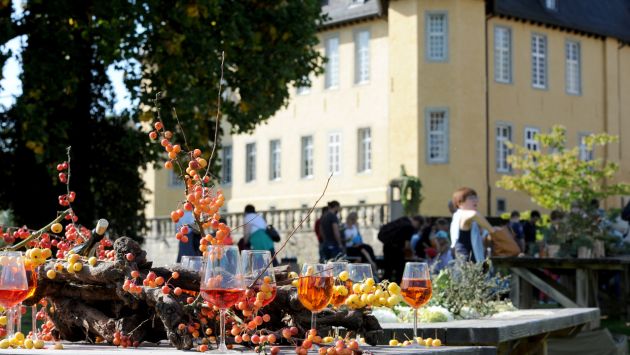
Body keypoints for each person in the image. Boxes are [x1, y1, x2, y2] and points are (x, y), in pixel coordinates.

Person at [450, 187, 496, 264]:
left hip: (469, 260)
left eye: (476, 197)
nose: (476, 200)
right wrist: (492, 230)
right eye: (471, 198)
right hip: (466, 262)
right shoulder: (462, 215)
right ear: (460, 203)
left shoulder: (461, 216)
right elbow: (475, 214)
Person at [378, 215, 424, 282]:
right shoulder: (409, 227)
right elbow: (407, 245)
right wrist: (413, 254)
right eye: (419, 225)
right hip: (397, 250)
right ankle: (398, 288)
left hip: (387, 247)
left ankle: (383, 288)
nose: (417, 227)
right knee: (400, 271)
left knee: (388, 270)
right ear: (417, 222)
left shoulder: (402, 220)